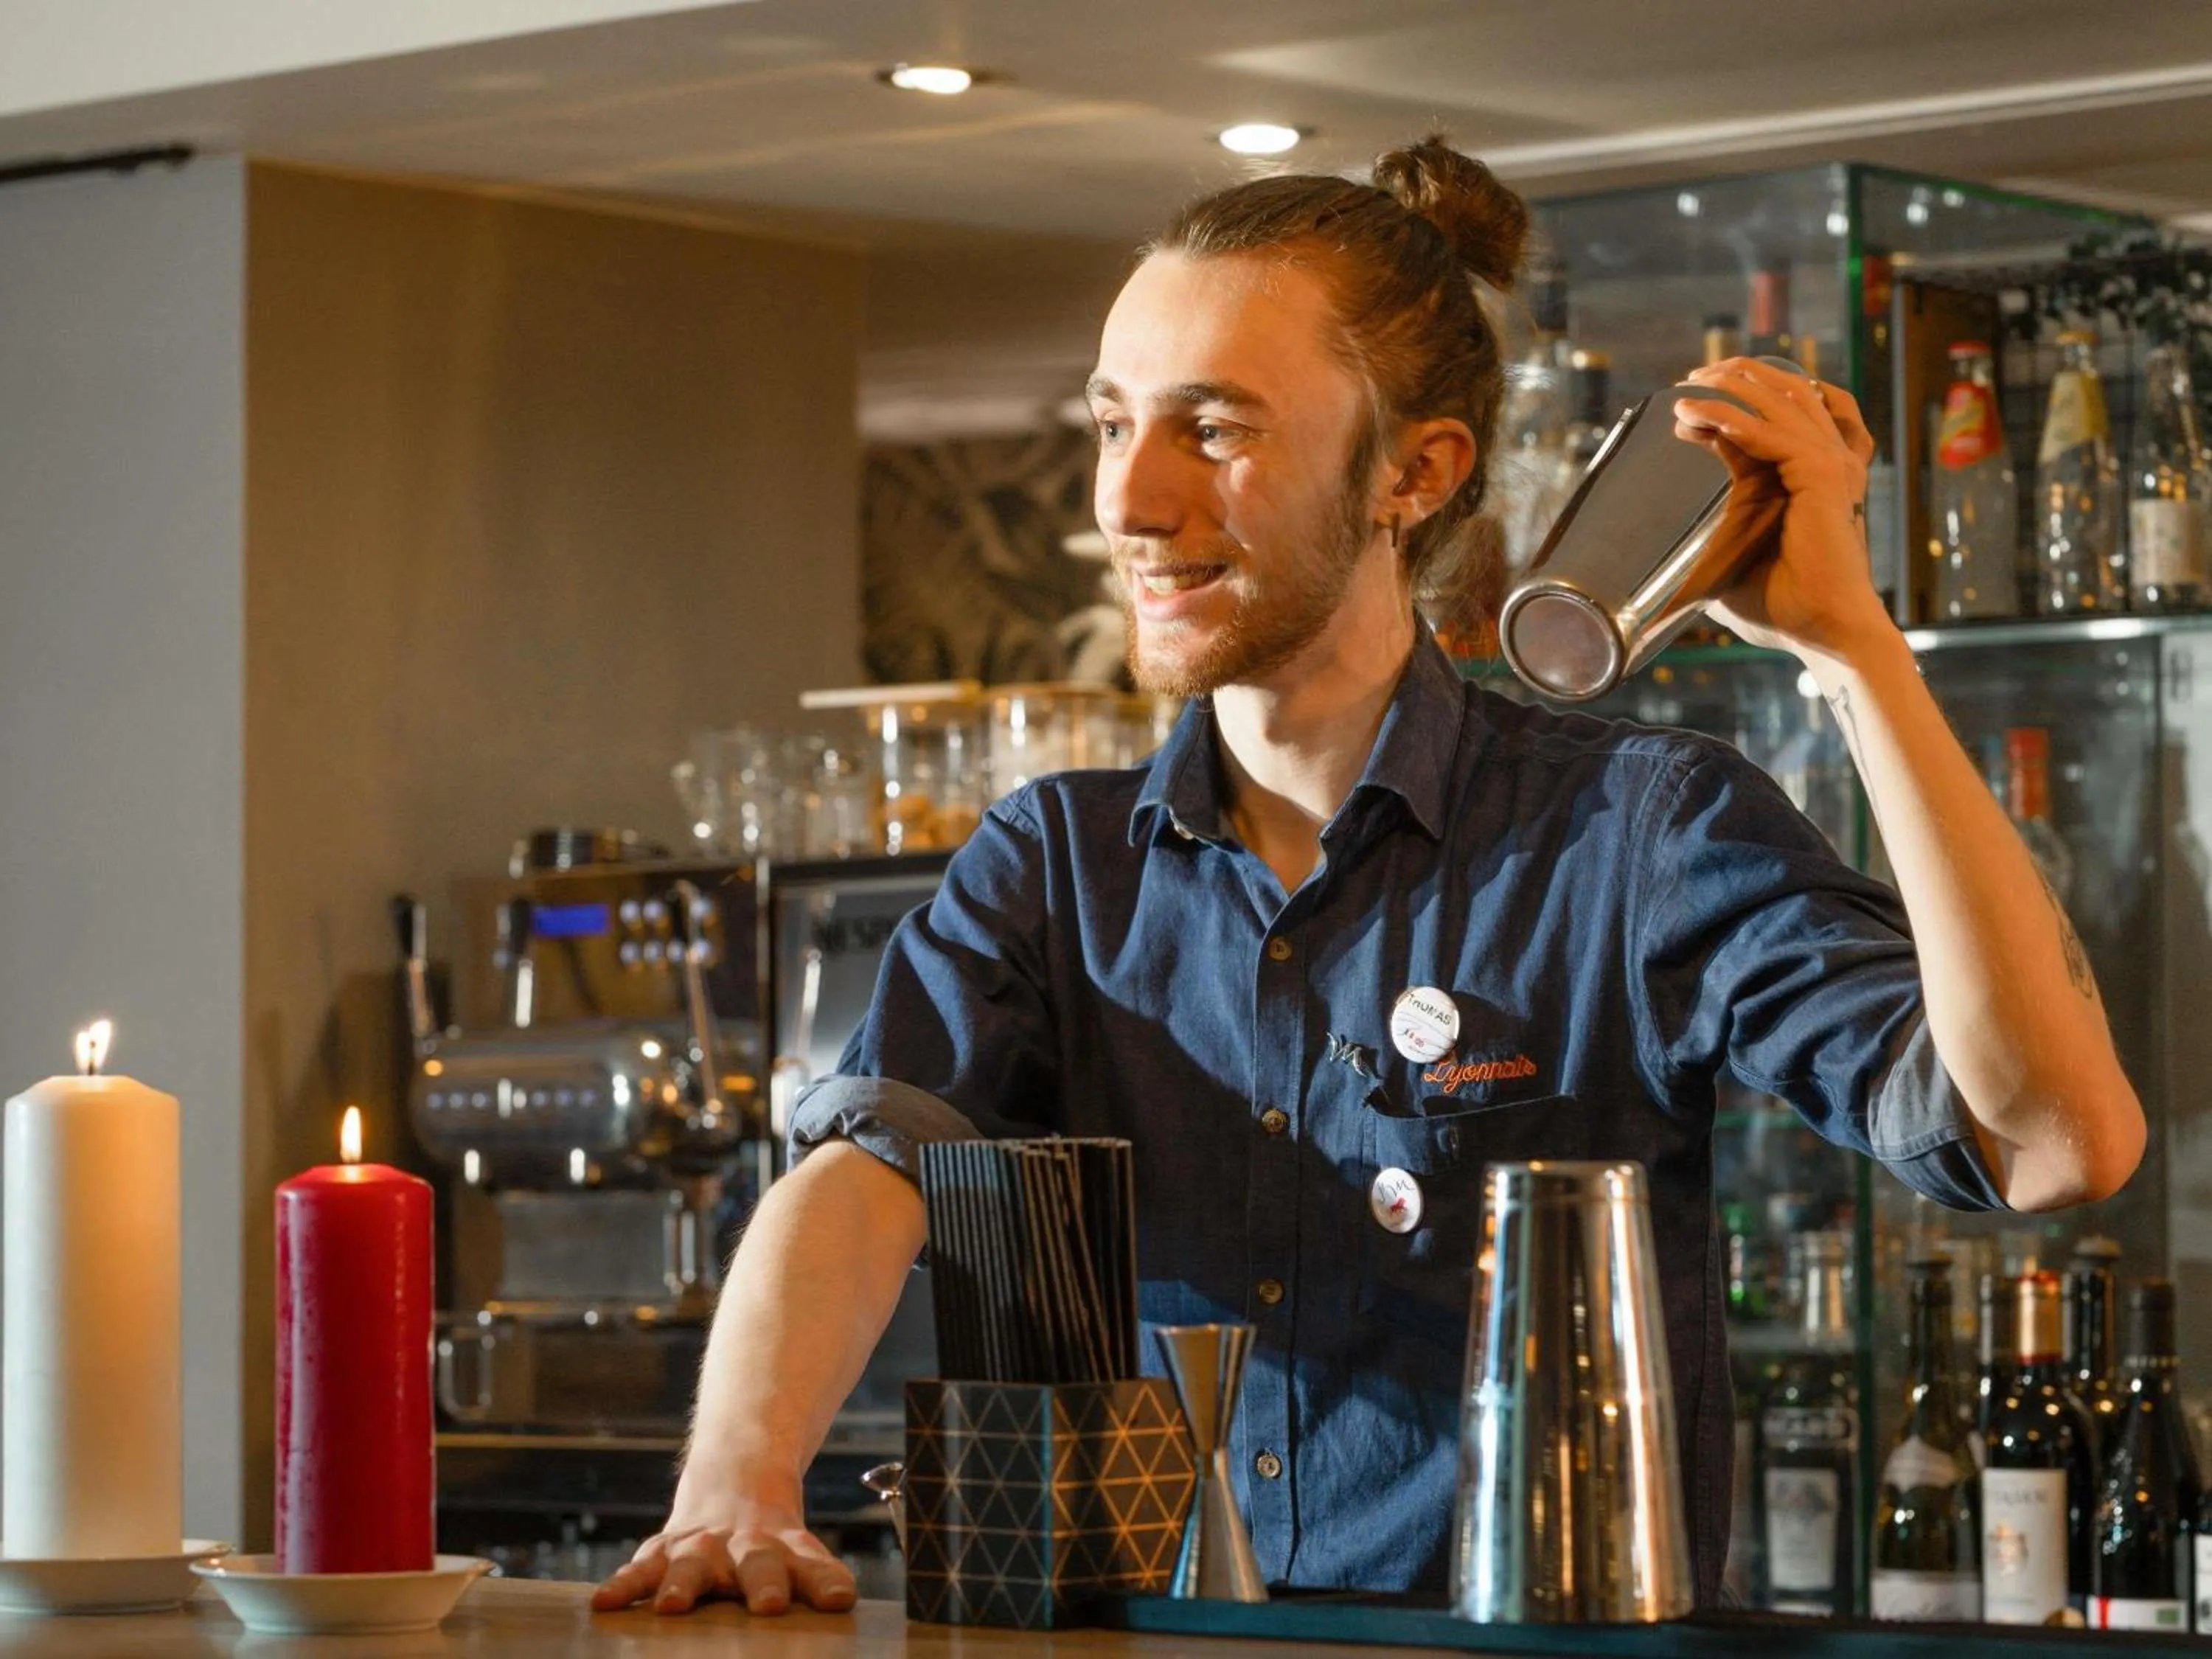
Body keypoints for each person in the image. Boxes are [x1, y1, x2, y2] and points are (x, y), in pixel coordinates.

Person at [594, 137, 2144, 1618]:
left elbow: (2062, 1140)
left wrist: (1854, 655)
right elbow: (863, 1175)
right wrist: (734, 1485)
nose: (1128, 502)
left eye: (1214, 430)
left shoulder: (1638, 833)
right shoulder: (1054, 870)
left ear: (1415, 472)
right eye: (1112, 421)